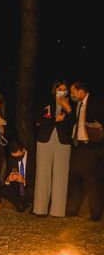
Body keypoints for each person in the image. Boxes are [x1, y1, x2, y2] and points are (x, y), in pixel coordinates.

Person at [33, 81, 75, 217]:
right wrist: (54, 121)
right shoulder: (46, 102)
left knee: (61, 175)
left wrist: (68, 109)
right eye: (59, 89)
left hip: (63, 142)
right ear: (55, 90)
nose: (62, 91)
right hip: (45, 140)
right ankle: (40, 209)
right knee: (42, 173)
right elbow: (37, 120)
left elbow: (75, 123)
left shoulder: (71, 105)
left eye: (64, 89)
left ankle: (57, 211)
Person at [66, 81, 104, 221]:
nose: (72, 95)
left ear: (81, 90)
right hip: (79, 144)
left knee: (89, 177)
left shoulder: (94, 102)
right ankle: (72, 209)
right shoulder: (78, 104)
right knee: (75, 175)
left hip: (91, 145)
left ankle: (95, 212)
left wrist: (98, 127)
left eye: (73, 91)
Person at [3, 140, 35, 212]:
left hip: (30, 186)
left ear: (23, 150)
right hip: (17, 187)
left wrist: (24, 180)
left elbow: (37, 178)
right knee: (3, 190)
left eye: (18, 156)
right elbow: (7, 174)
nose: (16, 159)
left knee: (32, 191)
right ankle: (21, 204)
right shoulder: (11, 159)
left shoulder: (33, 158)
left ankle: (27, 203)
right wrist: (8, 179)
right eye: (14, 157)